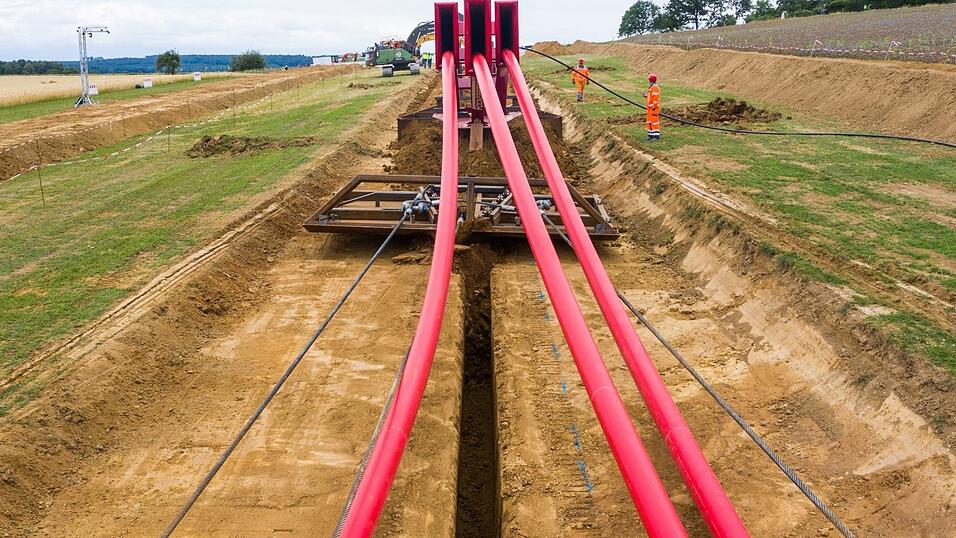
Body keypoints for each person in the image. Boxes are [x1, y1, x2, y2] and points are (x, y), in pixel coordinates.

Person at [644, 73, 661, 140]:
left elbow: (655, 98)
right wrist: (646, 96)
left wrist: (654, 106)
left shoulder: (654, 87)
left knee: (654, 122)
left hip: (653, 109)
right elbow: (651, 96)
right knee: (650, 122)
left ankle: (656, 136)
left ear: (650, 80)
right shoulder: (652, 87)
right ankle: (650, 135)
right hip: (650, 109)